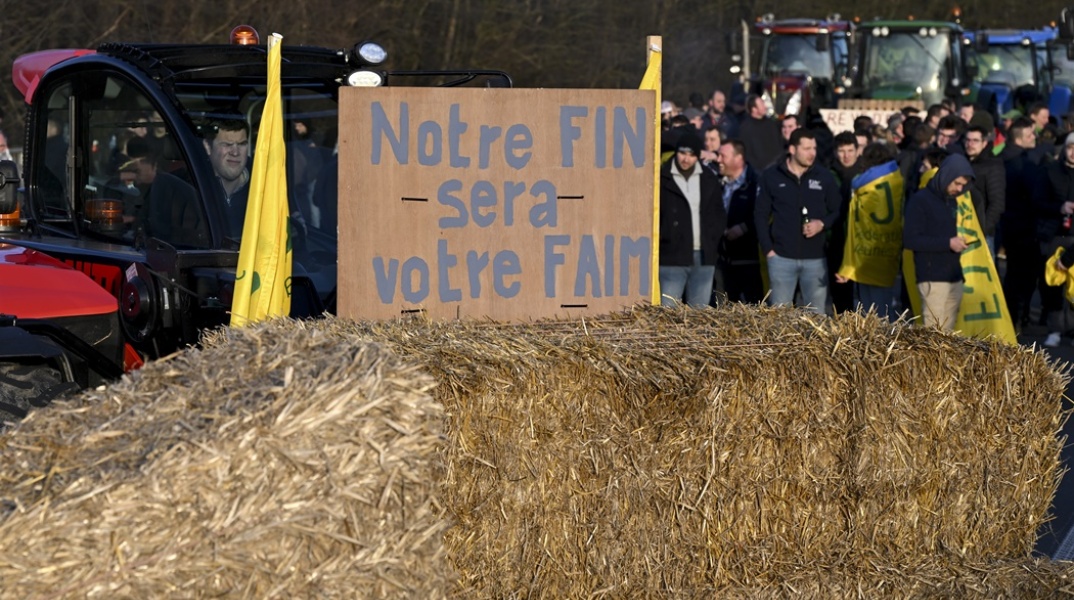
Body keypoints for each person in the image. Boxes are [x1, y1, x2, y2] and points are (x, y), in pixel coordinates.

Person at [754, 128, 841, 313]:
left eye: (814, 148)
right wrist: (768, 249)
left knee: (816, 317)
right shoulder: (771, 176)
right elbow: (760, 214)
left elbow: (837, 210)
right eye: (807, 148)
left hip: (815, 259)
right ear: (792, 150)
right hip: (781, 258)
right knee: (779, 318)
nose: (812, 153)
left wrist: (822, 224)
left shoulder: (824, 177)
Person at [903, 154, 976, 330]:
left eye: (962, 185)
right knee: (932, 335)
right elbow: (911, 240)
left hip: (954, 276)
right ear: (946, 176)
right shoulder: (920, 201)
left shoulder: (951, 201)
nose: (959, 189)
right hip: (932, 278)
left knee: (947, 337)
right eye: (957, 183)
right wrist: (948, 243)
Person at [835, 142, 904, 320]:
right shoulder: (898, 181)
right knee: (885, 310)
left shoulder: (860, 185)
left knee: (867, 310)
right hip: (887, 252)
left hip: (864, 253)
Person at [658, 130, 726, 307]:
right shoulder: (663, 178)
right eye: (682, 153)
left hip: (703, 256)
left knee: (699, 315)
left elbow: (718, 213)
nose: (685, 159)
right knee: (668, 312)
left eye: (691, 155)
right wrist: (666, 237)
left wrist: (712, 239)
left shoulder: (709, 178)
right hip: (672, 257)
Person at [125, 136, 204, 247]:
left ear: (153, 165)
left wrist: (134, 220)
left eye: (138, 169)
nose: (133, 172)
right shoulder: (143, 188)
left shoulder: (167, 187)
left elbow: (159, 227)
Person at [714, 139, 762, 304]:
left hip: (749, 260)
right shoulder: (717, 183)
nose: (718, 159)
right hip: (723, 261)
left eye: (723, 156)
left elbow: (763, 214)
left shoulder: (756, 183)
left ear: (738, 158)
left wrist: (744, 227)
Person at [1038, 132, 1074, 346]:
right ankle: (1054, 329)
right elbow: (1038, 202)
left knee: (1073, 288)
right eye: (1070, 147)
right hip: (1054, 235)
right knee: (1051, 285)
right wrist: (1059, 208)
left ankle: (1070, 330)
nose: (1073, 153)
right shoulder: (1050, 172)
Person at [829, 131, 862, 313]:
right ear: (835, 152)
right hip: (837, 241)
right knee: (840, 299)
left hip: (860, 241)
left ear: (857, 151)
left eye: (850, 150)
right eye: (842, 151)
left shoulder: (866, 173)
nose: (846, 155)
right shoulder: (829, 174)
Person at [962, 124, 1005, 258]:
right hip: (962, 231)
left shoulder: (993, 166)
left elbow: (996, 203)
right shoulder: (963, 162)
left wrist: (983, 229)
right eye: (968, 140)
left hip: (983, 234)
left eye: (975, 141)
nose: (970, 144)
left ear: (984, 143)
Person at [203, 118, 251, 235]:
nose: (235, 152)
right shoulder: (188, 186)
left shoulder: (265, 186)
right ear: (207, 147)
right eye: (227, 145)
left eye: (241, 144)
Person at [738, 93, 784, 170]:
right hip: (759, 170)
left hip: (777, 168)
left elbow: (778, 144)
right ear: (754, 109)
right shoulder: (745, 128)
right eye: (761, 105)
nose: (765, 107)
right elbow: (747, 153)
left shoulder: (771, 124)